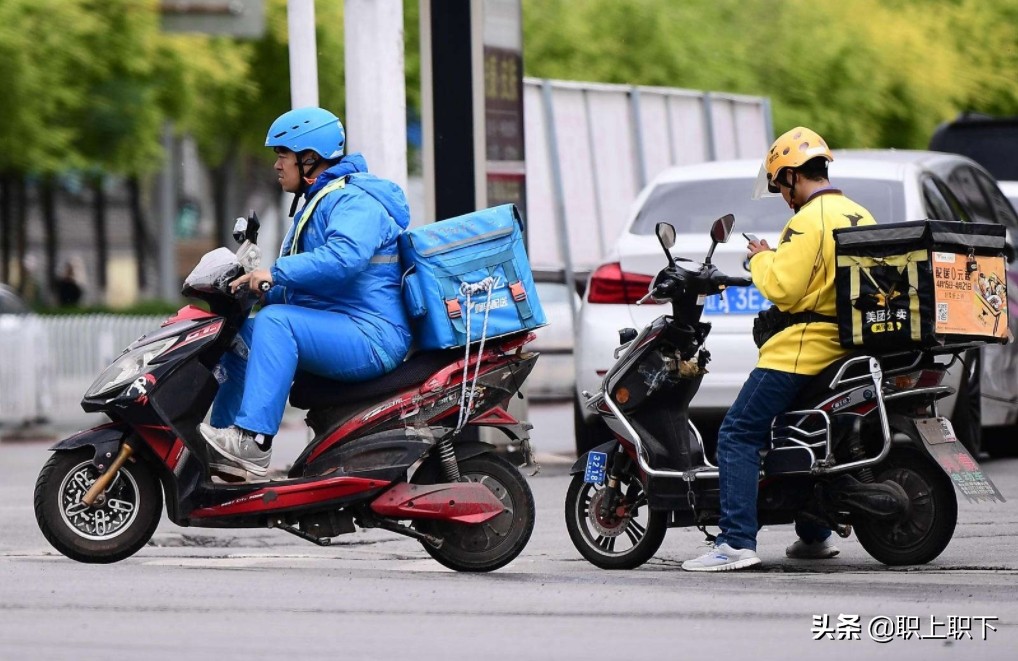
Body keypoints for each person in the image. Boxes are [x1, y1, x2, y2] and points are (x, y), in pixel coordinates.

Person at [682, 126, 877, 572]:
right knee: (802, 434)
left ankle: (735, 542)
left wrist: (759, 259)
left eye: (781, 184)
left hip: (803, 348)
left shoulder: (807, 220)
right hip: (846, 349)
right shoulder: (858, 214)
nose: (783, 195)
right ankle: (814, 536)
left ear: (792, 176)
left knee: (737, 431)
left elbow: (785, 290)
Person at [199, 106, 413, 481]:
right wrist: (254, 287)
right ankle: (224, 449)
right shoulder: (323, 200)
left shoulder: (353, 201)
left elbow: (343, 259)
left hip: (372, 335)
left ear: (309, 158)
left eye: (283, 154)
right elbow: (316, 285)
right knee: (238, 338)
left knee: (277, 323)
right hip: (342, 324)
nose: (277, 165)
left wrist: (273, 273)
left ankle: (253, 441)